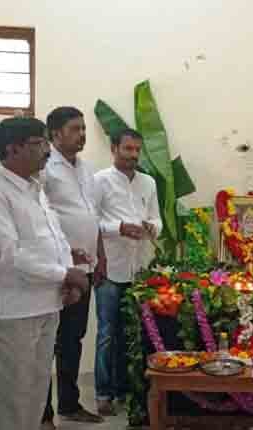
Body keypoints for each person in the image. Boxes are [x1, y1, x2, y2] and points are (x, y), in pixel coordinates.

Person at [0, 116, 89, 430]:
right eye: (39, 144)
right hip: (14, 311)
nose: (47, 151)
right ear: (13, 149)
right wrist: (64, 274)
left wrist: (68, 270)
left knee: (35, 394)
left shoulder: (34, 188)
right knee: (10, 397)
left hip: (47, 304)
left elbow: (55, 237)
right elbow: (9, 255)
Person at [40, 107, 104, 428]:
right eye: (75, 129)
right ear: (55, 134)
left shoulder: (87, 169)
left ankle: (69, 403)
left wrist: (100, 256)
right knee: (48, 342)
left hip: (85, 268)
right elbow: (40, 219)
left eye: (83, 129)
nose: (82, 134)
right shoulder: (44, 169)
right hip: (55, 271)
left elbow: (92, 216)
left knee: (72, 339)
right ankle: (43, 413)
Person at [94, 128, 161, 415]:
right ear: (114, 149)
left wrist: (151, 227)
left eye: (137, 150)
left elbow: (157, 217)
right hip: (110, 265)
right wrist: (119, 228)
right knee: (107, 333)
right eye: (128, 149)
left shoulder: (148, 182)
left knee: (132, 332)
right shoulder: (99, 181)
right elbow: (90, 222)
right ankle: (103, 394)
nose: (133, 155)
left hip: (139, 268)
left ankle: (126, 390)